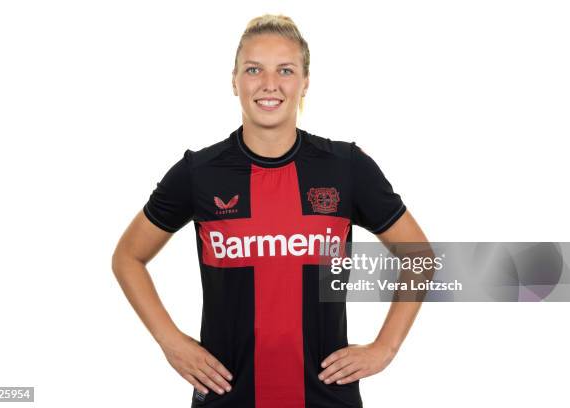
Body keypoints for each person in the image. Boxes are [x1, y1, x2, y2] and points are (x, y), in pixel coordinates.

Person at [112, 14, 428, 408]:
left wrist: (385, 348)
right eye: (253, 69)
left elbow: (419, 255)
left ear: (305, 82)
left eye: (285, 70)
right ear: (234, 80)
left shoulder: (346, 166)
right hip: (227, 397)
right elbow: (128, 257)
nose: (269, 84)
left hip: (326, 398)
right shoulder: (199, 173)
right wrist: (170, 342)